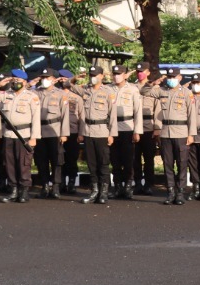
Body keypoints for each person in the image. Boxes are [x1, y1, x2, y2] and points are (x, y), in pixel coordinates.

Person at [0, 71, 40, 204]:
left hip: (24, 135)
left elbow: (36, 119)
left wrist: (34, 137)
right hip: (9, 134)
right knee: (9, 163)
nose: (15, 82)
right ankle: (13, 190)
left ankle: (24, 191)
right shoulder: (6, 95)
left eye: (18, 80)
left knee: (24, 163)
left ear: (24, 82)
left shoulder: (31, 97)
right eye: (13, 80)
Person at [147, 68, 194, 205]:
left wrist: (191, 134)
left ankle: (180, 192)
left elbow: (192, 115)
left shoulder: (186, 93)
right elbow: (144, 91)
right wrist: (154, 82)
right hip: (165, 132)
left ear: (179, 77)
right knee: (168, 164)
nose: (171, 79)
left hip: (181, 132)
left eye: (174, 76)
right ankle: (170, 191)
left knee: (181, 163)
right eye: (169, 76)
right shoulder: (162, 90)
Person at [78, 66, 117, 205]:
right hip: (88, 131)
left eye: (95, 74)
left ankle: (104, 192)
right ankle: (94, 191)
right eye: (91, 74)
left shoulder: (108, 92)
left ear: (102, 76)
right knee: (91, 164)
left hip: (102, 131)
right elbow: (82, 114)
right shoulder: (86, 91)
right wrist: (81, 132)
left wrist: (112, 134)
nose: (92, 77)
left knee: (103, 163)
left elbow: (112, 115)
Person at [33, 68, 69, 200]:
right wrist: (33, 82)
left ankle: (55, 186)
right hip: (39, 131)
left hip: (55, 130)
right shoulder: (35, 92)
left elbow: (65, 115)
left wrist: (64, 133)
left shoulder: (60, 94)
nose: (44, 80)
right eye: (42, 77)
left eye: (47, 77)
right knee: (41, 160)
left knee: (57, 160)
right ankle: (44, 186)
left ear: (54, 79)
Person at [108, 64, 142, 200]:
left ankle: (128, 187)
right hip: (112, 128)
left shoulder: (133, 90)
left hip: (128, 127)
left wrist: (137, 131)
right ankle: (117, 187)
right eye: (115, 74)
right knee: (114, 160)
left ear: (125, 75)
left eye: (120, 74)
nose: (117, 76)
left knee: (128, 160)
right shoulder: (108, 89)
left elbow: (138, 111)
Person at [133, 71, 160, 195]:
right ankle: (137, 183)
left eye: (142, 71)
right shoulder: (131, 87)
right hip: (134, 127)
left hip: (149, 127)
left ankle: (149, 184)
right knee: (135, 158)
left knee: (149, 159)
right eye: (138, 71)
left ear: (148, 72)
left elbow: (158, 108)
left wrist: (157, 128)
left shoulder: (155, 88)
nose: (140, 74)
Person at [58, 70, 84, 194]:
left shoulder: (78, 97)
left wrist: (81, 133)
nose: (63, 81)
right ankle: (61, 182)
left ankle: (72, 183)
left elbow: (81, 116)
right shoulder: (56, 95)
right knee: (59, 159)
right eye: (61, 79)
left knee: (72, 159)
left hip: (73, 132)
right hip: (58, 132)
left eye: (65, 79)